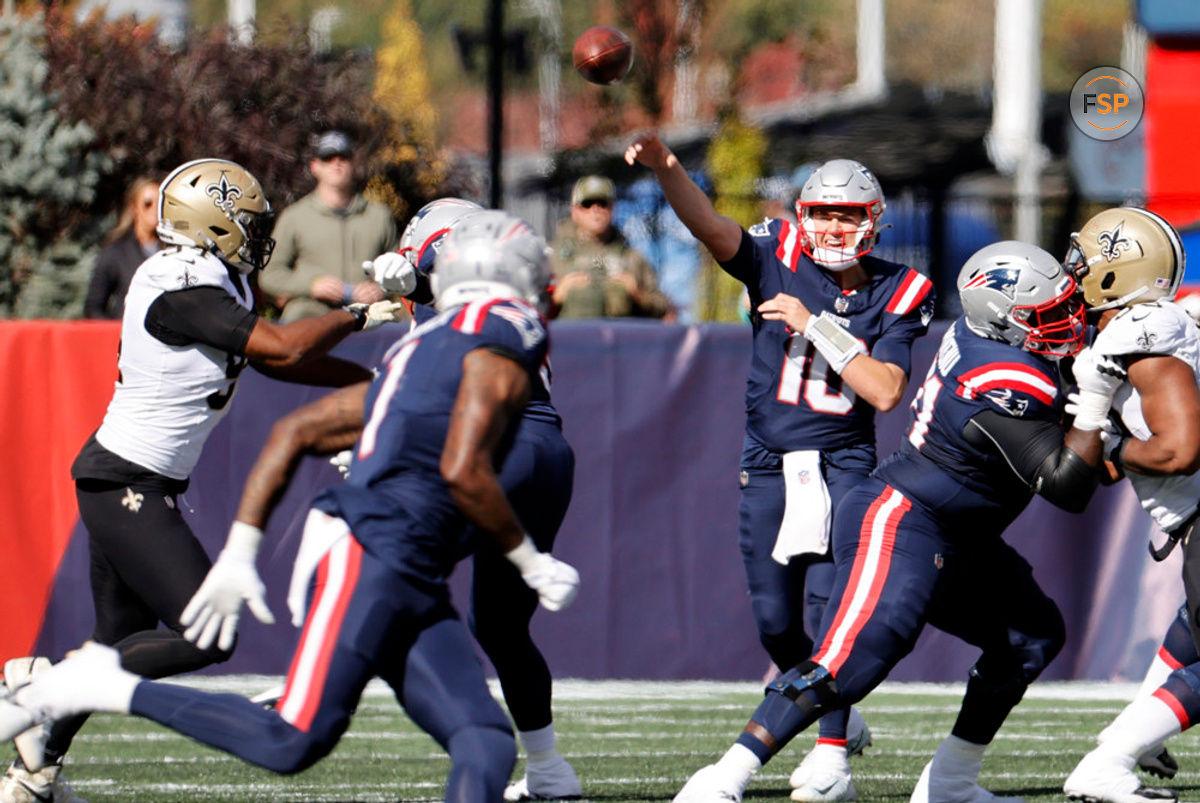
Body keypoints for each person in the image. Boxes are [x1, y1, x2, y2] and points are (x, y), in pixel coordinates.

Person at [0, 211, 581, 803]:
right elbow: (462, 466)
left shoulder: (423, 345)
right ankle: (103, 684)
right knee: (292, 739)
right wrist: (529, 560)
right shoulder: (505, 330)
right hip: (372, 559)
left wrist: (244, 549)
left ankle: (60, 733)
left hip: (409, 567)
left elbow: (298, 432)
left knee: (485, 742)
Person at [0, 158, 405, 803]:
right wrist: (363, 315)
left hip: (129, 480)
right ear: (211, 225)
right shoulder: (178, 284)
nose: (256, 234)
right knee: (204, 635)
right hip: (127, 482)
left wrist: (366, 389)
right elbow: (283, 348)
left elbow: (276, 362)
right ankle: (42, 688)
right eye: (245, 223)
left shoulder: (217, 278)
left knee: (112, 643)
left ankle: (35, 773)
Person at [667, 240, 1104, 803]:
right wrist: (1098, 395)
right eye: (1049, 315)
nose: (1069, 323)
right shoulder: (1001, 377)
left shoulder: (990, 337)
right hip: (905, 521)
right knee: (850, 663)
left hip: (961, 533)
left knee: (1030, 636)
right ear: (1006, 322)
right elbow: (1069, 486)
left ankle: (950, 783)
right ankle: (722, 777)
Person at [626, 135, 933, 801]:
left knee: (831, 610)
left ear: (872, 220)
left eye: (847, 214)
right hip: (766, 463)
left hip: (844, 461)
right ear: (801, 214)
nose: (833, 225)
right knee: (774, 621)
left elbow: (883, 388)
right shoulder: (776, 256)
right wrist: (668, 167)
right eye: (822, 212)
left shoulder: (901, 288)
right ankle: (832, 707)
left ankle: (829, 760)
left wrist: (813, 322)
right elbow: (708, 226)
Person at [368, 198, 583, 800]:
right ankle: (547, 769)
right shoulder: (506, 306)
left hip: (497, 447)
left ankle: (319, 689)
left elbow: (448, 282)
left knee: (390, 583)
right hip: (544, 447)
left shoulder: (465, 279)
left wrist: (411, 274)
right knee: (499, 624)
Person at [1055, 207, 1198, 803]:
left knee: (1194, 633)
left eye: (1084, 262)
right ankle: (1114, 756)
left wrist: (1105, 439)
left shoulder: (1142, 337)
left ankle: (1130, 740)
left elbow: (1176, 452)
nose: (1072, 274)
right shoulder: (1131, 337)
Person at [258, 130, 398, 321]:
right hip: (311, 315)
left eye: (344, 157)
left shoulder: (379, 216)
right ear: (315, 166)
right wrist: (311, 286)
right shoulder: (295, 216)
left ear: (354, 163)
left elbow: (398, 270)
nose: (336, 163)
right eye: (328, 158)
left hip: (368, 315)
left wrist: (379, 289)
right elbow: (270, 275)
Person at [550, 175, 673, 320]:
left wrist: (639, 295)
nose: (596, 209)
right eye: (587, 203)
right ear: (575, 211)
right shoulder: (551, 256)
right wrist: (556, 298)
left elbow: (663, 309)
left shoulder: (632, 259)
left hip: (621, 340)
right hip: (567, 341)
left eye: (603, 203)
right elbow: (527, 310)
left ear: (613, 208)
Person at [83, 176, 163, 319]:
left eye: (160, 203)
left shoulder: (173, 250)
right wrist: (113, 335)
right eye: (148, 203)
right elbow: (94, 306)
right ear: (135, 208)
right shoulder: (117, 252)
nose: (155, 209)